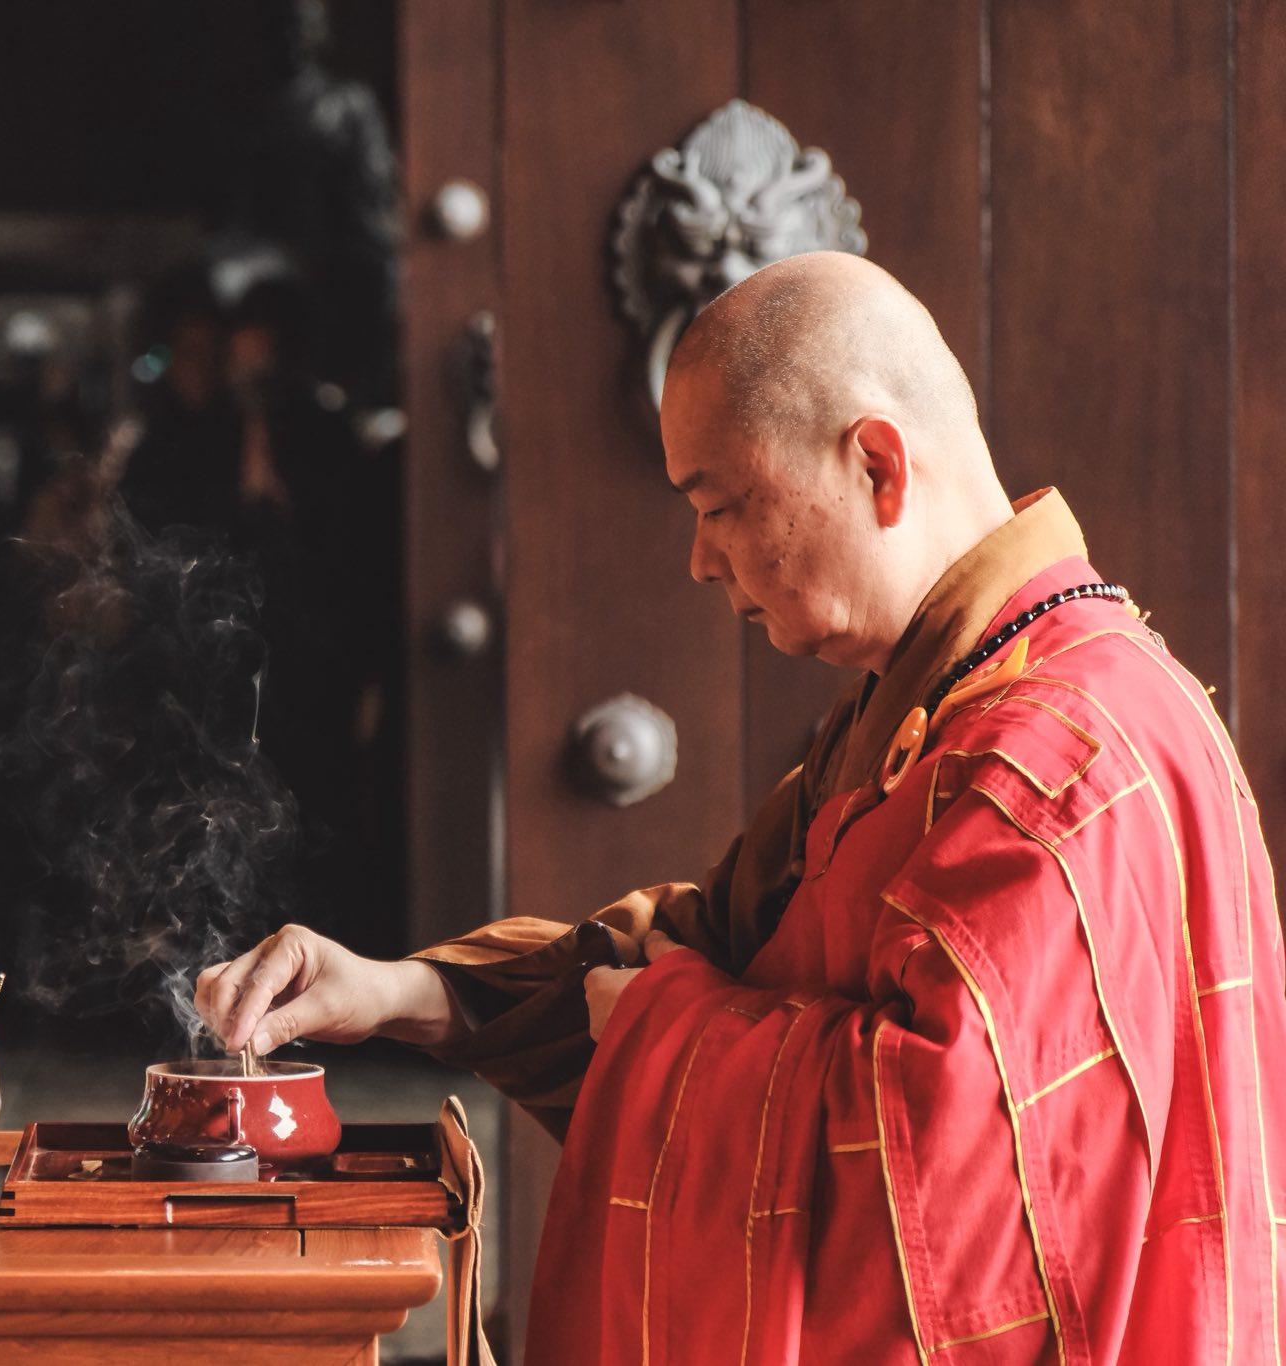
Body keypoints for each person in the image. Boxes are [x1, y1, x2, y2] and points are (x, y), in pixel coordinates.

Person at [198, 252, 1286, 1360]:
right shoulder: (931, 702)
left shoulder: (1047, 759)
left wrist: (660, 1037)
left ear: (876, 463)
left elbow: (951, 1199)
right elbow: (708, 950)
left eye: (719, 504)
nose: (698, 559)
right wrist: (398, 992)